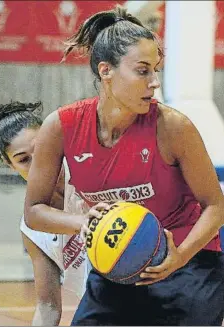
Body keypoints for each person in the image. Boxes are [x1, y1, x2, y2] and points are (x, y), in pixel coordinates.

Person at [24, 5, 224, 326]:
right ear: (106, 70)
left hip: (189, 262)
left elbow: (215, 206)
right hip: (118, 263)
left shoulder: (173, 127)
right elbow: (33, 211)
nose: (155, 82)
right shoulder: (61, 126)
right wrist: (82, 223)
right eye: (143, 71)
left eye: (156, 70)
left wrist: (179, 257)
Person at [0, 101, 90, 325]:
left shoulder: (89, 172)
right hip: (104, 307)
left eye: (42, 149)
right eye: (24, 160)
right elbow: (48, 307)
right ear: (10, 165)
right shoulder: (32, 230)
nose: (38, 163)